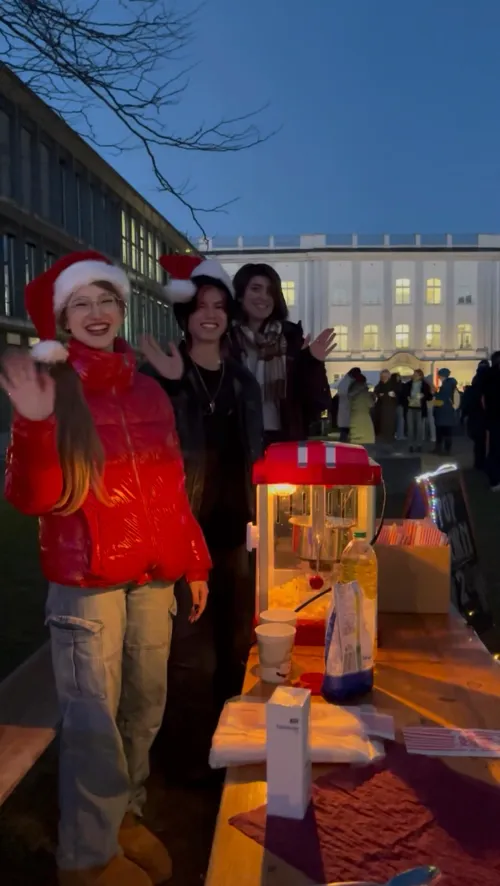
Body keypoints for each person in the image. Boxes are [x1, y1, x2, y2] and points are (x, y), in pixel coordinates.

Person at [0, 251, 211, 886]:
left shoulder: (145, 387)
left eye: (106, 301)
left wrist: (193, 560)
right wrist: (35, 427)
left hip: (152, 573)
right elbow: (31, 497)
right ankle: (87, 857)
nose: (97, 313)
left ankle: (126, 817)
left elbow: (172, 485)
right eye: (81, 304)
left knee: (144, 706)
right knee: (94, 716)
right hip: (87, 578)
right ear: (64, 317)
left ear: (122, 308)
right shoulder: (53, 387)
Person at [140, 255, 263, 782]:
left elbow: (256, 452)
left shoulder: (242, 382)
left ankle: (228, 750)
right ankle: (184, 760)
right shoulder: (161, 372)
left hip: (236, 533)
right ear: (184, 315)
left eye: (219, 306)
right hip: (183, 532)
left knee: (237, 646)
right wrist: (172, 386)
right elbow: (147, 444)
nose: (209, 315)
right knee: (192, 656)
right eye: (200, 307)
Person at [230, 263, 334, 444]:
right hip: (237, 443)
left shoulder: (291, 340)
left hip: (284, 443)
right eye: (256, 289)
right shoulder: (226, 341)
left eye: (270, 291)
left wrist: (312, 363)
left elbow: (316, 406)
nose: (264, 297)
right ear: (239, 295)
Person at [462, 359, 489, 470]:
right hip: (485, 416)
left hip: (476, 417)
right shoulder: (490, 380)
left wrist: (464, 415)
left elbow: (467, 402)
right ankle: (484, 463)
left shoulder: (476, 381)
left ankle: (479, 463)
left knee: (479, 443)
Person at [479, 351, 500, 489]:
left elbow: (482, 398)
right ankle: (495, 479)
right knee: (495, 449)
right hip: (495, 417)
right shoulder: (491, 375)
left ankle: (494, 479)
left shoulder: (487, 375)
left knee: (494, 448)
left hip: (492, 417)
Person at [403, 369, 432, 452]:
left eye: (416, 375)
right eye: (414, 374)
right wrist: (407, 397)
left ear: (420, 376)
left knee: (419, 428)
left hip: (420, 408)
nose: (414, 376)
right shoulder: (408, 384)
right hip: (410, 408)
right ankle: (411, 445)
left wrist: (423, 396)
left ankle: (419, 444)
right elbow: (403, 394)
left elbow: (429, 396)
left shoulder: (425, 385)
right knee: (410, 427)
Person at [433, 367, 458, 455]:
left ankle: (442, 449)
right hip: (448, 413)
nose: (439, 377)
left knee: (442, 432)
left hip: (443, 412)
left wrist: (434, 396)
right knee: (447, 432)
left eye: (439, 375)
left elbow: (441, 398)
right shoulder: (450, 384)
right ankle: (446, 449)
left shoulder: (446, 385)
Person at [348, 374, 375, 445]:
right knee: (366, 441)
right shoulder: (365, 393)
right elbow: (371, 404)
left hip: (354, 418)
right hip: (364, 420)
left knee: (355, 440)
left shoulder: (351, 392)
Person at [373, 369, 398, 446]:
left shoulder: (393, 385)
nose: (383, 378)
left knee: (389, 424)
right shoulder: (379, 385)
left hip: (390, 408)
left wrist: (393, 395)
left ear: (388, 376)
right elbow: (376, 393)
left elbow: (397, 395)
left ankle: (389, 440)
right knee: (381, 424)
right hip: (380, 408)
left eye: (385, 376)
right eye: (382, 376)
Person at [337, 367, 362, 442]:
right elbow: (346, 395)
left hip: (346, 409)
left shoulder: (346, 381)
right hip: (346, 409)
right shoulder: (347, 382)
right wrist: (358, 391)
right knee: (345, 431)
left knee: (345, 430)